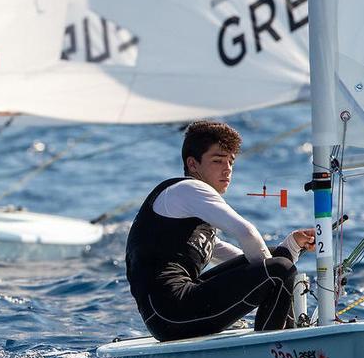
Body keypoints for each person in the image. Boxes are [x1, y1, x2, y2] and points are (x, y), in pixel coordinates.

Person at [126, 120, 315, 342]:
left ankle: (279, 336)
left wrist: (290, 246)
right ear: (193, 164)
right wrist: (273, 273)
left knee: (278, 261)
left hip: (169, 314)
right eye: (217, 161)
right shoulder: (189, 189)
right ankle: (276, 348)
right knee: (278, 269)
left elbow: (243, 261)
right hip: (171, 312)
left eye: (231, 162)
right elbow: (248, 233)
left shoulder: (185, 213)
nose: (227, 169)